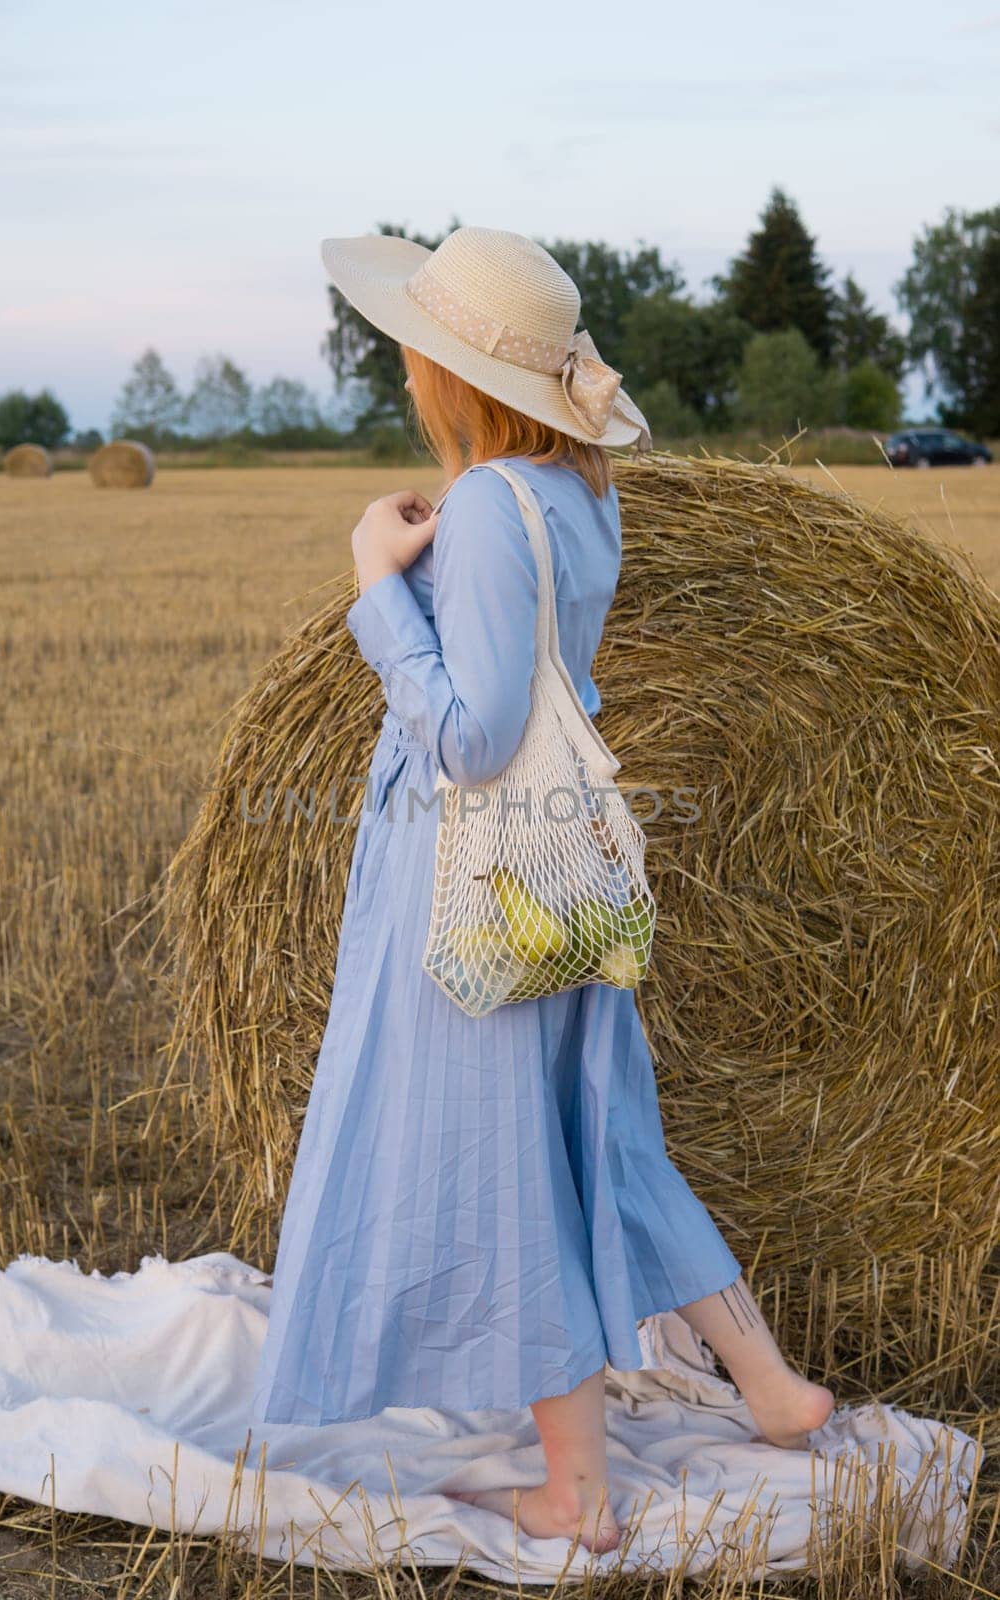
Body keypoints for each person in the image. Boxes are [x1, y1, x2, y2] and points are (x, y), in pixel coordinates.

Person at [249, 226, 835, 1553]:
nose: (405, 369)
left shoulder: (488, 513)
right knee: (608, 1138)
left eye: (418, 349)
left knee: (504, 1162)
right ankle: (774, 1389)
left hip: (479, 882)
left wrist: (375, 589)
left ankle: (573, 1489)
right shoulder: (578, 494)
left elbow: (474, 734)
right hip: (562, 867)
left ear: (453, 378)